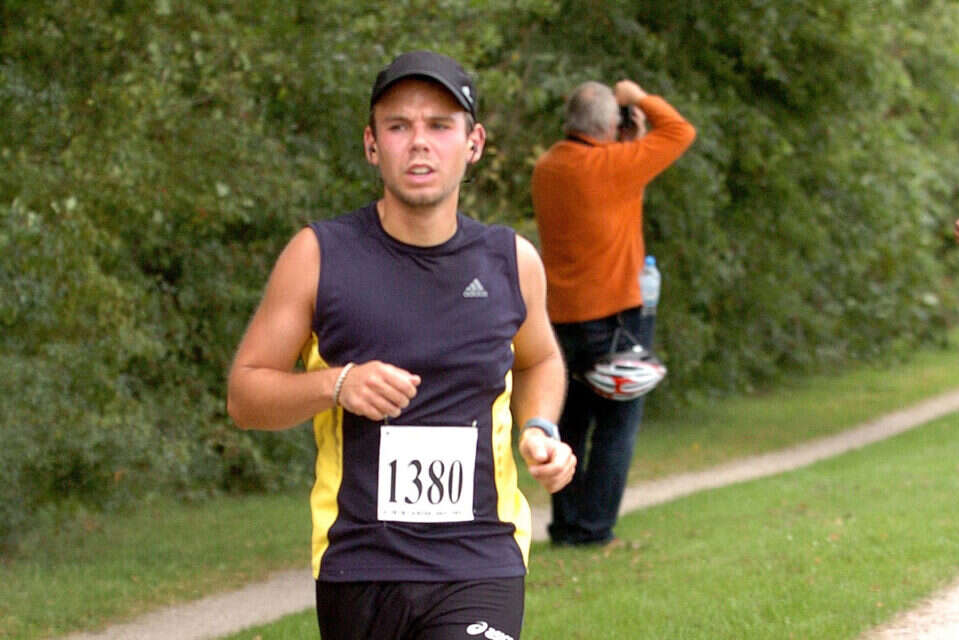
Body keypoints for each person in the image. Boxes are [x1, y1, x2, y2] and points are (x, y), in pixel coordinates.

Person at [227, 51, 576, 640]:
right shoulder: (319, 256)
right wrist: (337, 384)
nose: (419, 143)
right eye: (398, 126)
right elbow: (245, 395)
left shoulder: (511, 261)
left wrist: (540, 427)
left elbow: (539, 359)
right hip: (361, 563)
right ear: (372, 144)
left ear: (474, 143)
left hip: (480, 557)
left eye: (440, 125)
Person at [531, 79, 696, 547]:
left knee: (570, 424)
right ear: (608, 126)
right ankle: (594, 529)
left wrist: (624, 141)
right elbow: (680, 131)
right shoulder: (615, 165)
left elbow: (608, 189)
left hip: (560, 318)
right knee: (617, 425)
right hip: (617, 318)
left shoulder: (548, 167)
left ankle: (567, 526)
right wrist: (636, 96)